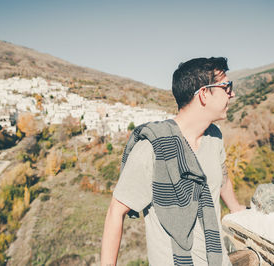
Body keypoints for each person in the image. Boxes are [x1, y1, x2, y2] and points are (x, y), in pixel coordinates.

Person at [101, 57, 246, 266]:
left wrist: (235, 207)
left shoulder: (214, 136)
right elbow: (116, 210)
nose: (233, 94)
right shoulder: (153, 148)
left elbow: (221, 175)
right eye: (227, 87)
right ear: (204, 94)